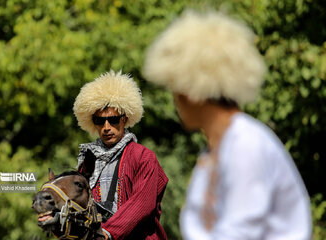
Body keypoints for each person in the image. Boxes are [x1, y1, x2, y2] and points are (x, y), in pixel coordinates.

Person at [143, 11, 312, 240]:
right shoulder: (216, 148)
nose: (176, 100)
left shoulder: (246, 144)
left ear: (193, 91)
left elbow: (239, 233)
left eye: (177, 89)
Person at [73, 70, 169, 240]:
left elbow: (142, 203)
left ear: (124, 119)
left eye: (114, 119)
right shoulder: (87, 161)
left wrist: (108, 232)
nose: (107, 126)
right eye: (99, 121)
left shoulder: (143, 157)